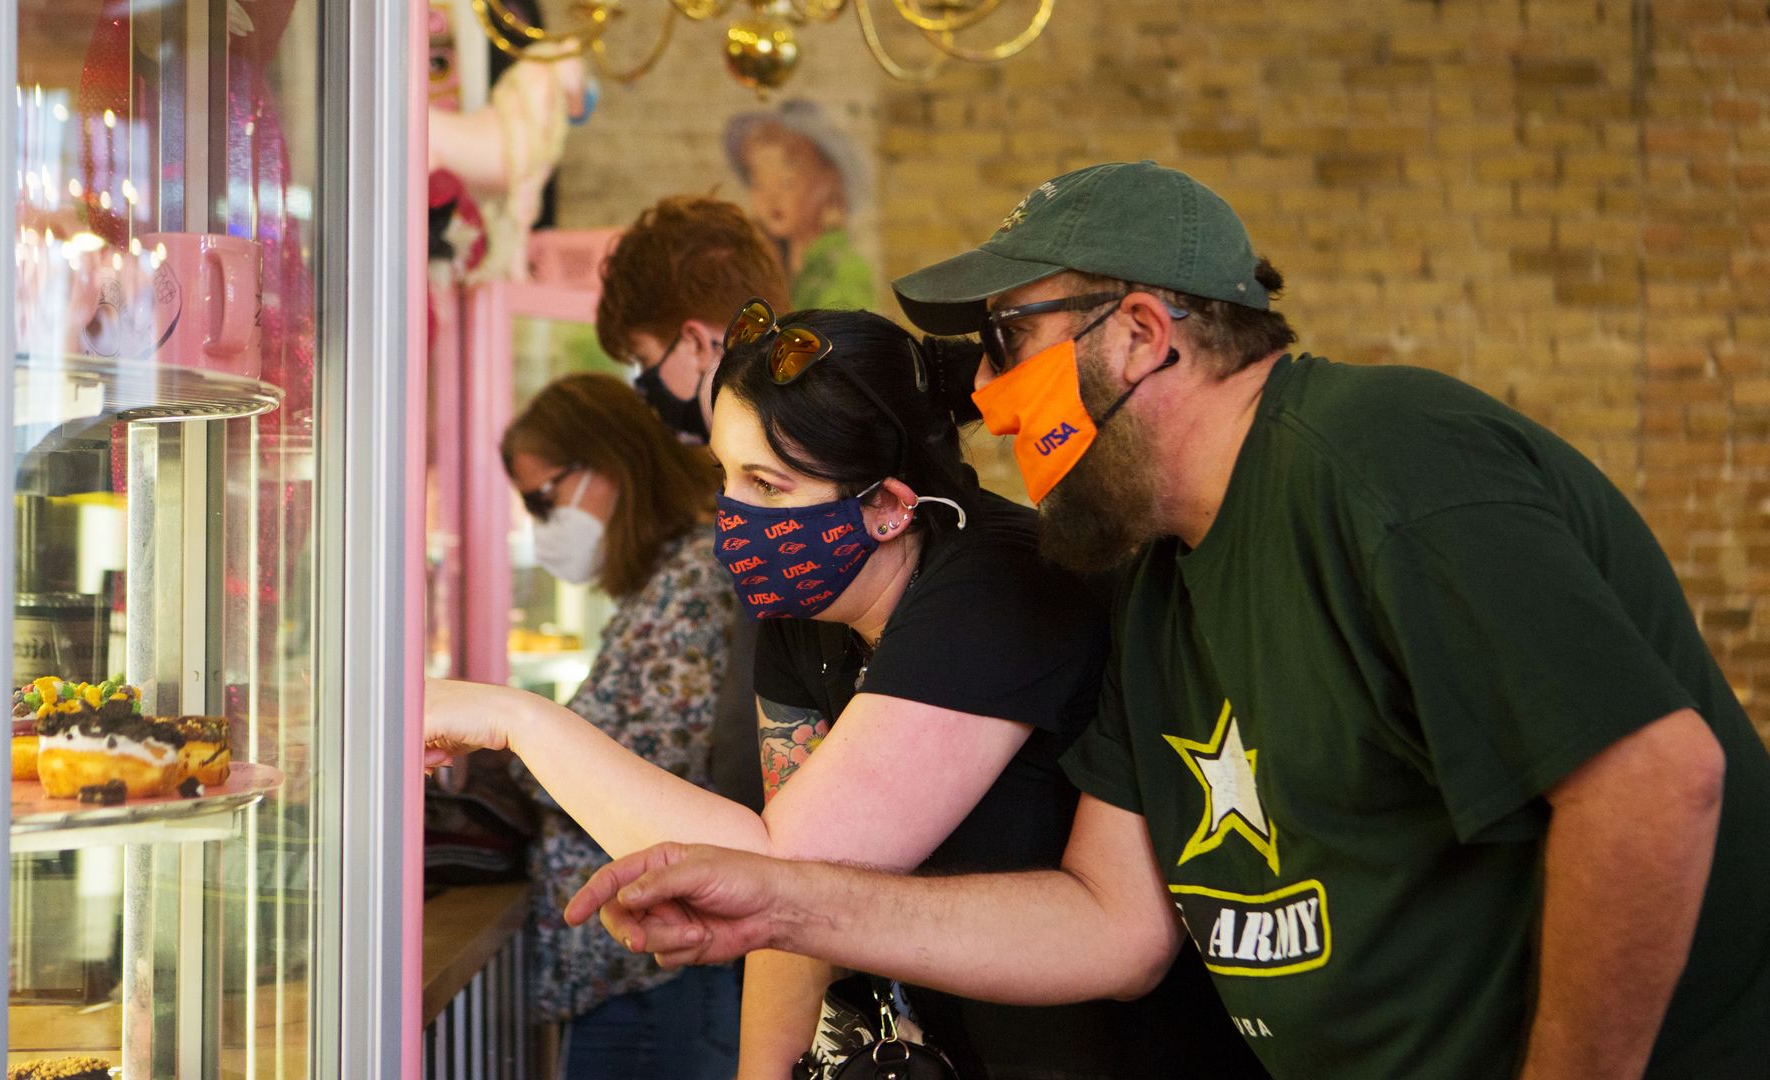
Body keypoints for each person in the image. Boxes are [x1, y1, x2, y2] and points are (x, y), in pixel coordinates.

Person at [568, 162, 1770, 1080]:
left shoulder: (1377, 459)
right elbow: (1110, 926)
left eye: (1007, 343)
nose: (983, 397)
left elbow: (1654, 781)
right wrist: (785, 904)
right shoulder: (1156, 582)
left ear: (1141, 334)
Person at [427, 305, 1262, 1079]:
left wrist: (516, 721)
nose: (731, 514)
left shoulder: (999, 586)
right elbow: (791, 920)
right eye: (725, 475)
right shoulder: (808, 612)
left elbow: (775, 873)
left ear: (891, 508)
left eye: (767, 486)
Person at [481, 374, 742, 1079]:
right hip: (638, 964)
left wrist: (502, 739)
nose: (542, 523)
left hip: (662, 972)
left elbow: (646, 762)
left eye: (544, 499)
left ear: (610, 461)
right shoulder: (664, 582)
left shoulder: (695, 578)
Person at [594, 194, 794, 813]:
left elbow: (761, 708)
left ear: (696, 342)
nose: (644, 387)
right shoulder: (789, 447)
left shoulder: (784, 473)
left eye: (643, 361)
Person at [724, 100, 875, 312]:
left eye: (787, 181)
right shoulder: (777, 266)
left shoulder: (843, 271)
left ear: (826, 182)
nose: (771, 197)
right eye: (758, 183)